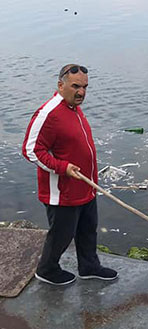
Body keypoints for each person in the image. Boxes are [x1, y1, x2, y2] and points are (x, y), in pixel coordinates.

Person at [22, 64, 117, 285]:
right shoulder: (48, 113)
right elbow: (30, 149)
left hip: (85, 186)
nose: (81, 92)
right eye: (75, 86)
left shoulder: (74, 108)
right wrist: (62, 167)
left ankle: (89, 266)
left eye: (85, 87)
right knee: (61, 236)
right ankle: (47, 270)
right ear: (60, 85)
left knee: (87, 230)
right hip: (62, 192)